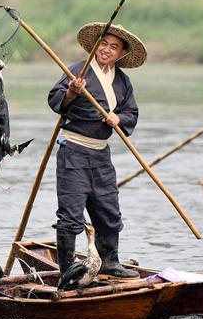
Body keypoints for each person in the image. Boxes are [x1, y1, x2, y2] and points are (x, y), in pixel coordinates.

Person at [48, 23, 147, 278]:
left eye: (114, 47)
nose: (106, 50)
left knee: (108, 209)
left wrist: (119, 119)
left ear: (122, 54)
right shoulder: (77, 72)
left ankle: (110, 262)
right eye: (103, 44)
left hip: (101, 156)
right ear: (95, 45)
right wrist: (72, 91)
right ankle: (67, 270)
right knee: (70, 214)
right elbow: (56, 101)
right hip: (74, 152)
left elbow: (131, 113)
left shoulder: (123, 81)